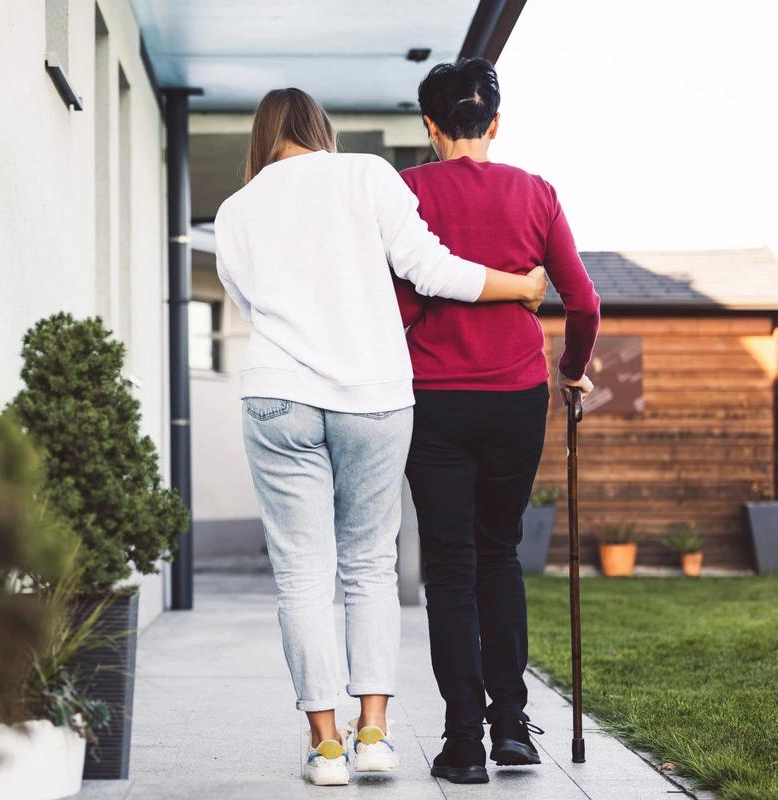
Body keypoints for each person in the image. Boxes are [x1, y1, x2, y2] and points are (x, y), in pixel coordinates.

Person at [213, 87, 549, 786]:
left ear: (263, 136)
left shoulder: (236, 209)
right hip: (373, 395)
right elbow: (428, 270)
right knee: (368, 566)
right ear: (321, 129)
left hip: (279, 394)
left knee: (303, 574)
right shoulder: (367, 175)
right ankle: (374, 736)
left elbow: (248, 304)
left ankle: (326, 746)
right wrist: (516, 287)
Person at [394, 58, 601, 784]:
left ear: (429, 125)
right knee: (498, 554)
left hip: (435, 399)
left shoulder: (408, 191)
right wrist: (572, 370)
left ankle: (461, 743)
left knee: (447, 567)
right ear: (495, 123)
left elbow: (403, 304)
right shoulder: (536, 192)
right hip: (517, 399)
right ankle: (511, 727)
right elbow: (585, 304)